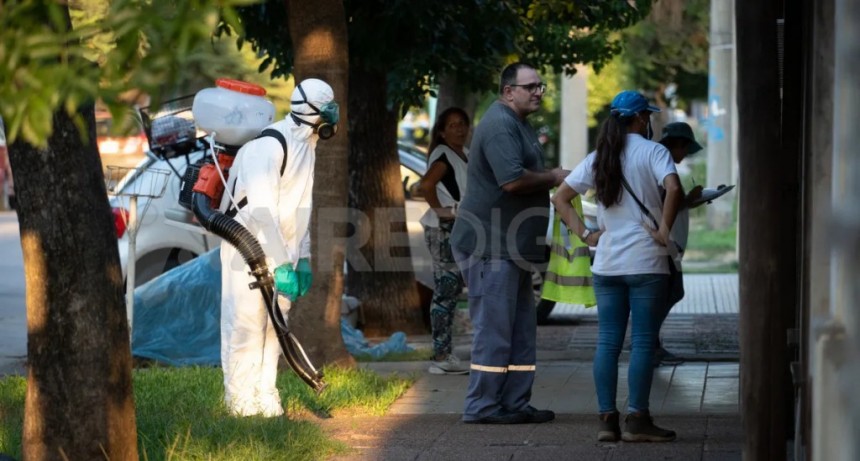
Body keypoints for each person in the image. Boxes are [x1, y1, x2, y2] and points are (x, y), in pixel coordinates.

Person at [551, 90, 683, 442]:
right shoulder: (654, 151)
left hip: (607, 264)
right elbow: (673, 188)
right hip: (646, 262)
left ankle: (606, 421)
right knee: (641, 342)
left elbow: (560, 197)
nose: (649, 122)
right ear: (640, 118)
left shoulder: (599, 156)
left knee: (608, 343)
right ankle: (638, 420)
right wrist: (664, 231)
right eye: (648, 117)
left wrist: (585, 235)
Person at [450, 62, 568, 424]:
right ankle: (482, 407)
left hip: (510, 246)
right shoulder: (501, 124)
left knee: (520, 331)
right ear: (508, 91)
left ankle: (515, 403)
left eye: (540, 86)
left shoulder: (519, 123)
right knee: (495, 331)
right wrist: (555, 176)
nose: (537, 92)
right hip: (490, 246)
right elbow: (512, 181)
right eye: (529, 86)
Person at [220, 78, 338, 417]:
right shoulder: (269, 146)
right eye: (326, 107)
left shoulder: (307, 147)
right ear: (310, 110)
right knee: (245, 323)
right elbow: (261, 211)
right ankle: (241, 407)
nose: (332, 115)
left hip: (282, 247)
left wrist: (302, 256)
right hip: (245, 245)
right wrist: (282, 261)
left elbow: (301, 208)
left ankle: (266, 399)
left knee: (276, 325)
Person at [419, 107, 472, 375]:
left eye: (462, 124)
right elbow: (426, 185)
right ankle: (440, 356)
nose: (459, 129)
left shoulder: (465, 154)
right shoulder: (443, 155)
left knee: (452, 292)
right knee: (445, 291)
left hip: (458, 226)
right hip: (444, 228)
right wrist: (442, 211)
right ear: (441, 131)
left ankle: (445, 353)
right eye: (452, 125)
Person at [653, 121, 705, 365]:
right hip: (667, 243)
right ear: (678, 145)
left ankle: (650, 342)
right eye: (685, 149)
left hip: (670, 242)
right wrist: (687, 200)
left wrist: (688, 200)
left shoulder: (663, 165)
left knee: (670, 293)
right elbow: (665, 206)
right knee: (670, 293)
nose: (685, 155)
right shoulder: (662, 168)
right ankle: (649, 342)